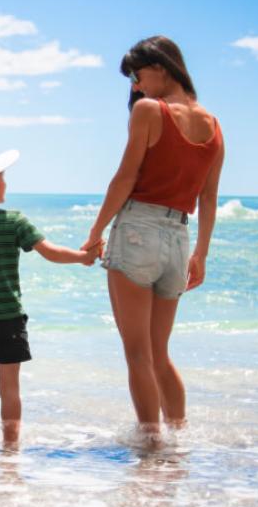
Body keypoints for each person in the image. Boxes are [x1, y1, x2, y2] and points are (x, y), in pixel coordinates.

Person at [82, 35, 225, 441]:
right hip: (179, 239)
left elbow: (126, 177)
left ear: (161, 68)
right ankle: (178, 439)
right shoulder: (214, 126)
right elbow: (208, 198)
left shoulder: (149, 111)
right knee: (159, 354)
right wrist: (201, 254)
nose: (135, 86)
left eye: (137, 75)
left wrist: (94, 234)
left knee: (137, 353)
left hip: (138, 232)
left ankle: (150, 444)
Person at [0, 145, 101, 446]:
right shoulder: (13, 221)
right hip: (7, 318)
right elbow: (49, 252)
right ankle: (10, 445)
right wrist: (82, 257)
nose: (6, 184)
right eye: (2, 178)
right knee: (10, 387)